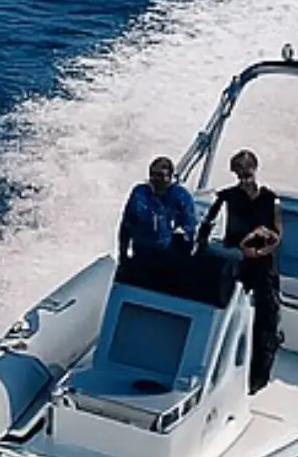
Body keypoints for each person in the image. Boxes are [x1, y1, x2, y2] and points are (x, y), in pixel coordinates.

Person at [201, 148, 284, 391]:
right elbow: (207, 227)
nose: (243, 179)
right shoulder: (226, 196)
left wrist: (258, 250)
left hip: (262, 265)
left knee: (266, 320)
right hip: (234, 262)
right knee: (222, 314)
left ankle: (258, 378)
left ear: (254, 170)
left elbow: (277, 236)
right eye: (238, 173)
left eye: (247, 173)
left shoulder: (271, 199)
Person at [117, 155, 198, 262]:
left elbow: (189, 226)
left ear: (169, 177)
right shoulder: (140, 194)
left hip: (169, 257)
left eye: (160, 175)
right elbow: (127, 223)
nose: (156, 179)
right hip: (142, 254)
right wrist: (123, 252)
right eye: (153, 175)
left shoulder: (181, 196)